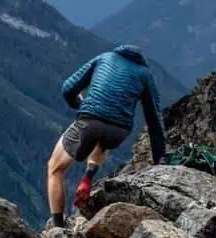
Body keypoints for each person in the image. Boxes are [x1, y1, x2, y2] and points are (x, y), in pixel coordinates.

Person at [46, 44, 166, 228]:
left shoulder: (104, 58)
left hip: (90, 122)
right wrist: (160, 160)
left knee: (55, 168)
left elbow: (68, 88)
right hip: (119, 131)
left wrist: (80, 106)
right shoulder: (145, 74)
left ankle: (58, 228)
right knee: (102, 140)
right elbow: (154, 119)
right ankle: (88, 178)